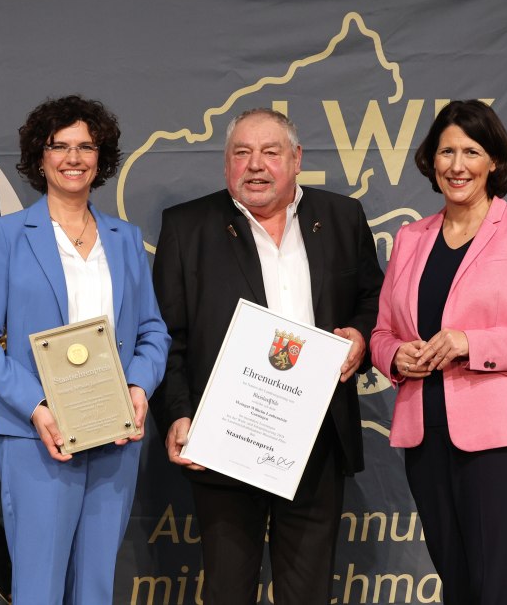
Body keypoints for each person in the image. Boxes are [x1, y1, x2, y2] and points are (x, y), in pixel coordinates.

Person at [151, 108, 383, 604]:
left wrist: (360, 338)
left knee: (308, 592)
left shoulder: (342, 217)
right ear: (226, 164)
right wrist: (178, 414)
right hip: (224, 437)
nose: (256, 165)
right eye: (242, 153)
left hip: (316, 436)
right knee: (229, 590)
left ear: (296, 159)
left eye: (270, 152)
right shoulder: (187, 227)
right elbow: (167, 336)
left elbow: (372, 299)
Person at [0, 95, 169, 604]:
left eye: (85, 146)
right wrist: (37, 406)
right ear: (40, 156)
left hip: (114, 435)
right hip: (38, 437)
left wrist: (139, 387)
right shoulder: (8, 235)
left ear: (101, 157)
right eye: (60, 146)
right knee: (39, 589)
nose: (73, 158)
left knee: (96, 587)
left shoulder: (125, 239)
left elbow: (152, 332)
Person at [370, 100, 507, 604]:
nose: (456, 165)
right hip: (426, 437)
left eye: (471, 151)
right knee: (458, 588)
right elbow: (380, 333)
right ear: (430, 160)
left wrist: (471, 343)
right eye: (446, 152)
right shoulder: (411, 236)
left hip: (503, 444)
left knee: (495, 591)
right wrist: (395, 357)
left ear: (495, 162)